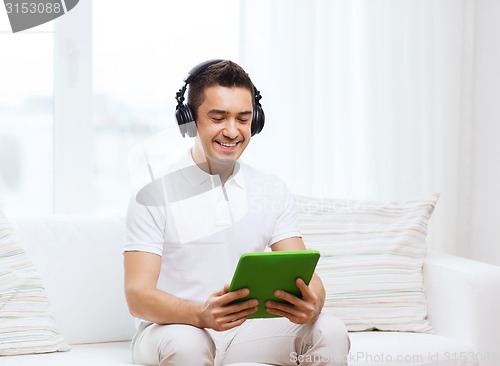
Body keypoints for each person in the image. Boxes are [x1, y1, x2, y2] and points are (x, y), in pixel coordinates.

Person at [123, 59, 350, 365]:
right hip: (172, 329)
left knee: (330, 331)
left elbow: (307, 273)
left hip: (244, 333)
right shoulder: (151, 194)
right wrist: (200, 314)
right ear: (189, 121)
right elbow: (137, 295)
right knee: (188, 344)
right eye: (218, 118)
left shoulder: (270, 189)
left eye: (243, 119)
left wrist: (314, 302)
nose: (232, 131)